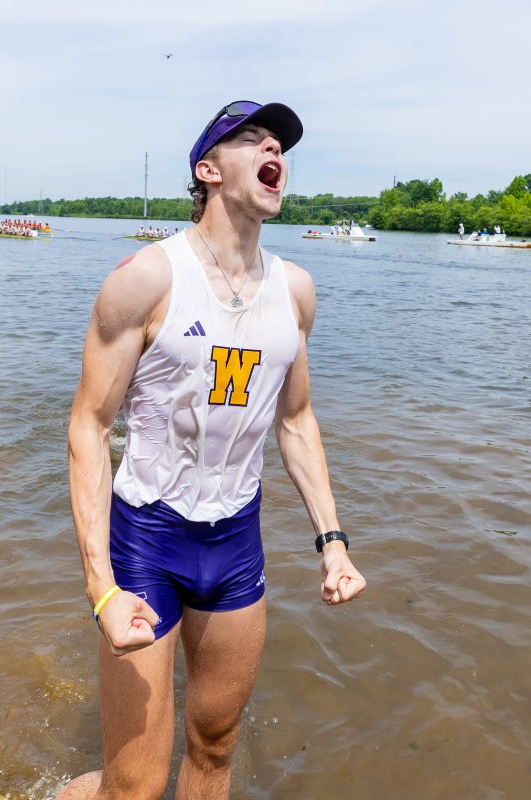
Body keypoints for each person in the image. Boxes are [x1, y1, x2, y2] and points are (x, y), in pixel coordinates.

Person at [60, 100, 367, 800]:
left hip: (235, 541)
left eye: (283, 146)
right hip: (146, 539)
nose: (276, 153)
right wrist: (100, 585)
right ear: (208, 169)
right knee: (134, 786)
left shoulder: (295, 292)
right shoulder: (147, 277)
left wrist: (333, 541)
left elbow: (296, 420)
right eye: (256, 141)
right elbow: (87, 425)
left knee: (216, 746)